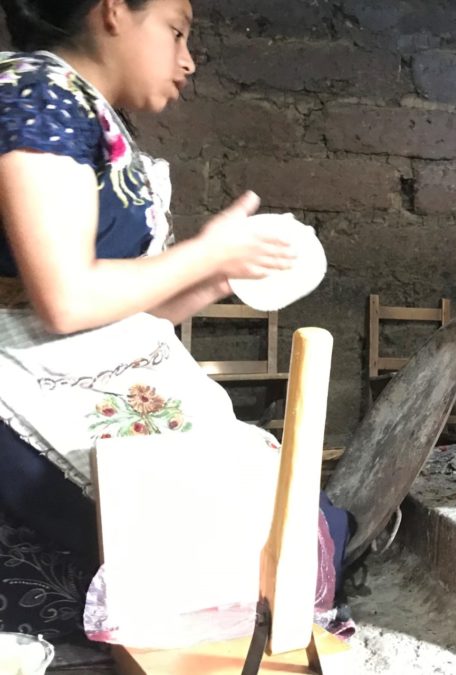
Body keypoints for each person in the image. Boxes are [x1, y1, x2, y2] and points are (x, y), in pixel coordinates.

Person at [0, 0, 351, 641]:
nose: (187, 58)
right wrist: (204, 252)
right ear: (113, 12)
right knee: (221, 551)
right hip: (25, 376)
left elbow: (140, 302)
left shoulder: (97, 117)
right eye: (176, 29)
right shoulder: (35, 93)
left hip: (95, 361)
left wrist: (214, 276)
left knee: (305, 521)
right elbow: (65, 298)